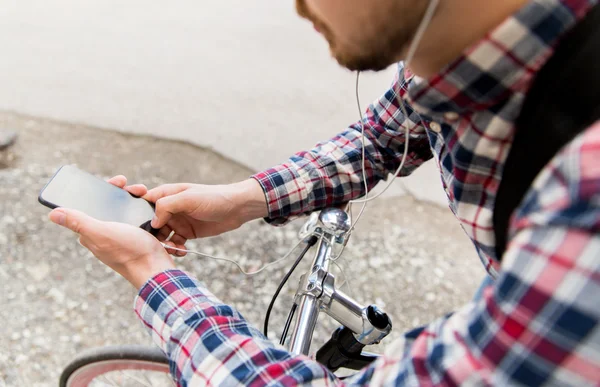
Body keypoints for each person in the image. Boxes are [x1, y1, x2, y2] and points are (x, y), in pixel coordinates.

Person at [49, 0, 600, 385]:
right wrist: (245, 198)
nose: (297, 7)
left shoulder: (587, 201)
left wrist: (152, 275)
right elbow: (381, 139)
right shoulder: (464, 50)